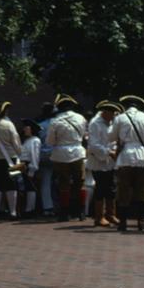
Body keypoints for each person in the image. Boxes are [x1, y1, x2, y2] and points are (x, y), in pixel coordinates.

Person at [111, 95, 144, 232]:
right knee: (142, 190)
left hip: (125, 156)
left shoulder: (120, 118)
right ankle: (140, 221)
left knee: (123, 190)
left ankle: (123, 222)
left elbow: (111, 136)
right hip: (142, 157)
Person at [47, 94, 88, 222]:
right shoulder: (81, 118)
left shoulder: (55, 121)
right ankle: (80, 211)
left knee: (63, 184)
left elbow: (50, 141)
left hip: (60, 155)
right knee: (80, 183)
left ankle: (64, 213)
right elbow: (84, 136)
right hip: (77, 153)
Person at [87, 101, 120, 227]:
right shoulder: (95, 124)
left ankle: (111, 214)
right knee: (101, 187)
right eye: (112, 114)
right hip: (98, 160)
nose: (114, 116)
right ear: (105, 112)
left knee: (111, 187)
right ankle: (99, 216)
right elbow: (93, 144)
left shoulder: (112, 123)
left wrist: (115, 149)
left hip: (110, 161)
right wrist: (109, 152)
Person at [35, 102, 57, 217]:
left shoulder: (40, 125)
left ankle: (47, 207)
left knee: (46, 181)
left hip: (44, 154)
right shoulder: (59, 123)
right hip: (59, 155)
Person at [19, 118, 42, 218]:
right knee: (28, 188)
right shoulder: (28, 140)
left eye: (26, 128)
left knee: (31, 188)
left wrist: (32, 169)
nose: (24, 129)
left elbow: (34, 156)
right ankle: (28, 208)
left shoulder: (35, 140)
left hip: (30, 166)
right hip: (24, 165)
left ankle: (30, 209)